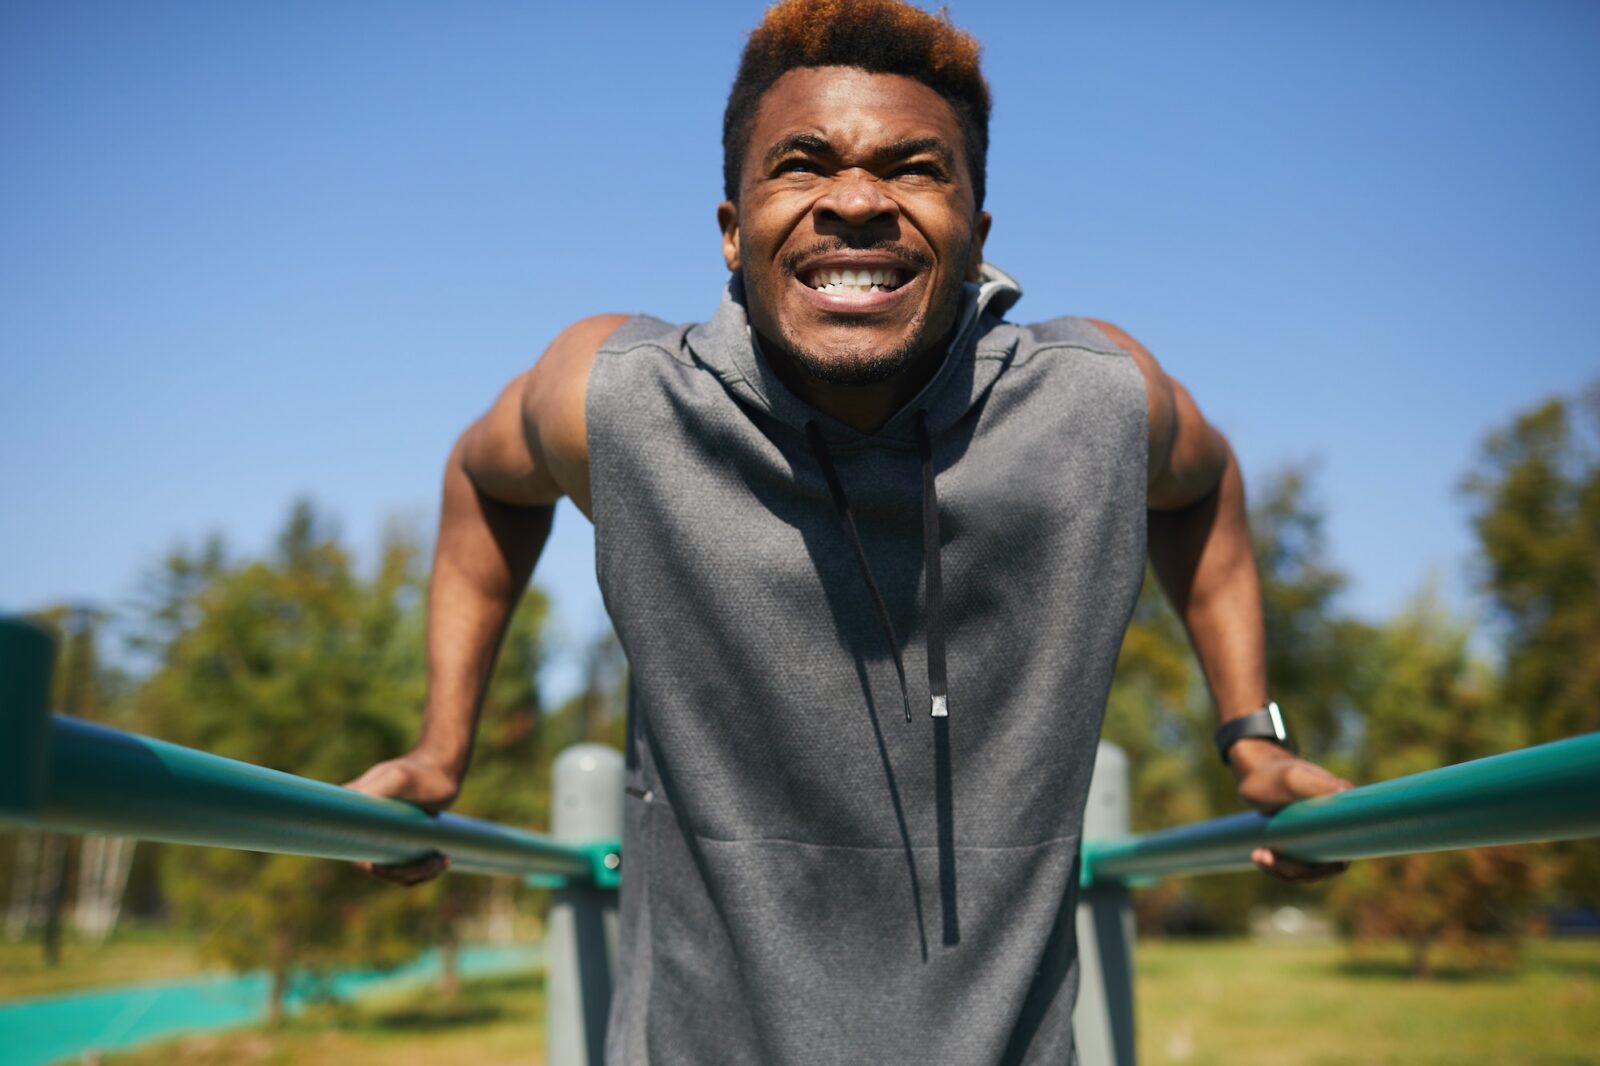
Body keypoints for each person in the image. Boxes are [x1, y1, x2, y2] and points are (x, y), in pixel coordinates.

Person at [346, 0, 1353, 1060]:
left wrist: (1254, 738)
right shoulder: (616, 400)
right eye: (802, 163)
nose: (859, 200)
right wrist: (438, 748)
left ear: (976, 236)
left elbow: (1202, 486)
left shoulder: (1096, 404)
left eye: (915, 167)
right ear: (733, 231)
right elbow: (484, 479)